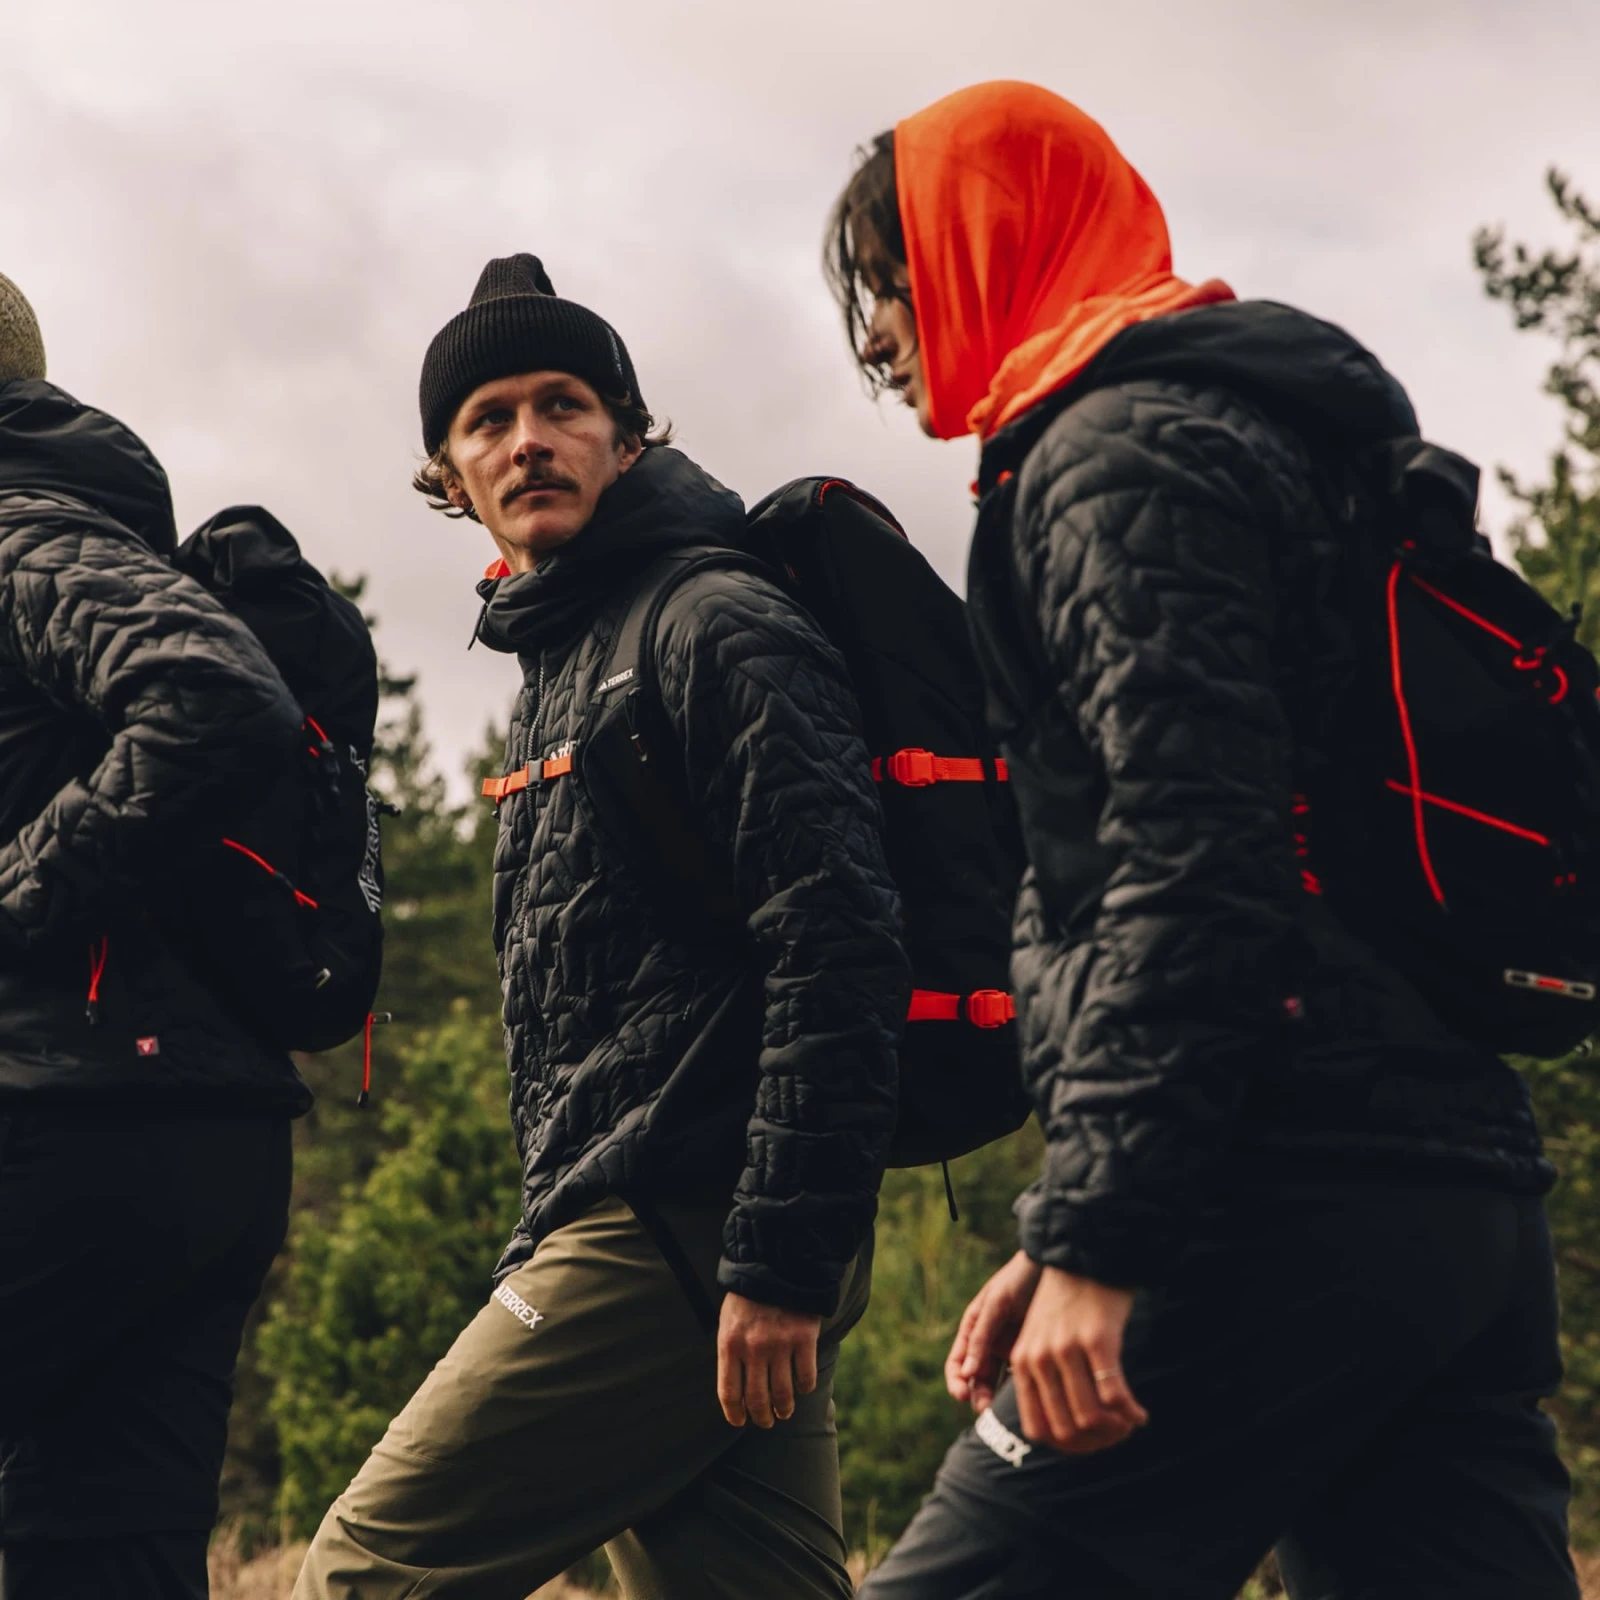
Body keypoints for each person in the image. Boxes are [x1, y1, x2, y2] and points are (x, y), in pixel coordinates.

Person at [825, 82, 1580, 1599]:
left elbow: (1193, 862)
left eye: (891, 282)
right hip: (1452, 1187)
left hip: (1279, 1180)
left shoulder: (1115, 459)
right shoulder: (1277, 438)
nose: (881, 338)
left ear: (988, 242)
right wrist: (1069, 1225)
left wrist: (1104, 1233)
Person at [294, 253, 908, 1600]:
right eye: (489, 419)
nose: (528, 439)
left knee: (362, 1574)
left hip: (692, 1224)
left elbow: (840, 945)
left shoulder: (713, 625)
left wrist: (783, 1256)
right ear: (451, 476)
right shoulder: (565, 655)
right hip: (667, 1220)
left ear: (627, 439)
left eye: (563, 405)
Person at [0, 272, 316, 1598]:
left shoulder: (18, 531)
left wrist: (14, 897)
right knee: (103, 1560)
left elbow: (210, 693)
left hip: (63, 1124)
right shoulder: (82, 527)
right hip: (194, 1141)